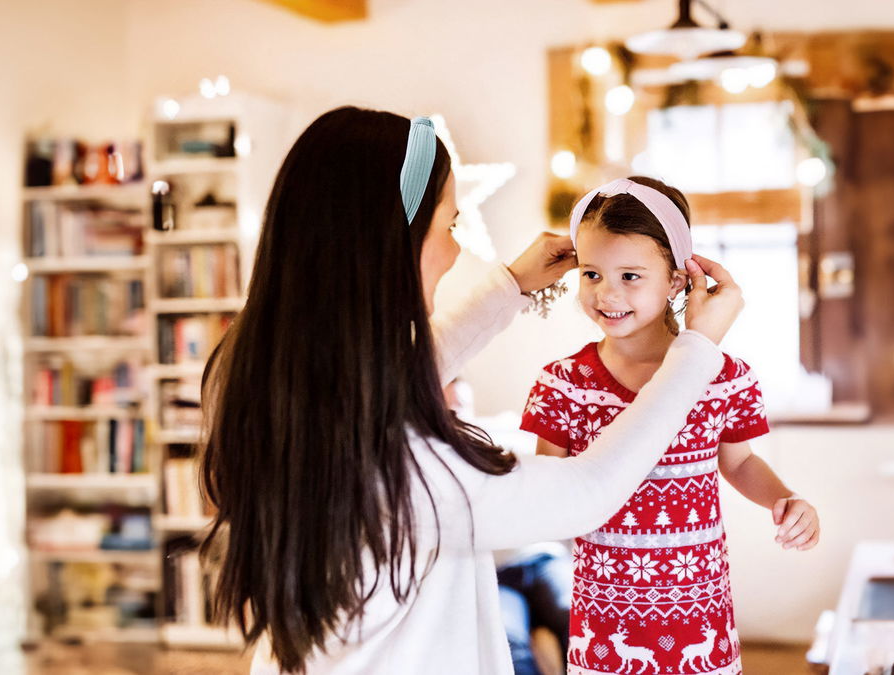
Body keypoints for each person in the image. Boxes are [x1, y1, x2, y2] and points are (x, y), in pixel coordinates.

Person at [198, 108, 745, 674]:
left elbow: (383, 379)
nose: (456, 251)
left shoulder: (255, 378)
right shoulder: (397, 464)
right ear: (395, 239)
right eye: (450, 226)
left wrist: (509, 287)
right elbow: (587, 492)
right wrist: (697, 351)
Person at [520, 176, 821, 674]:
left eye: (630, 276)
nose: (606, 293)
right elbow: (545, 490)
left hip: (698, 613)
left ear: (678, 280)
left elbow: (740, 462)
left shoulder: (724, 377)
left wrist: (785, 499)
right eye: (591, 274)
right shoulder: (563, 384)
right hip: (605, 623)